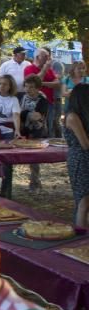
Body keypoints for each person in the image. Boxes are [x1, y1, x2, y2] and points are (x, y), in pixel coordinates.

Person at [64, 83, 89, 227]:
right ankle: (80, 241)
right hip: (80, 160)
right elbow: (85, 144)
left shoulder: (83, 115)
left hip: (85, 158)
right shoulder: (72, 117)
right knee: (83, 202)